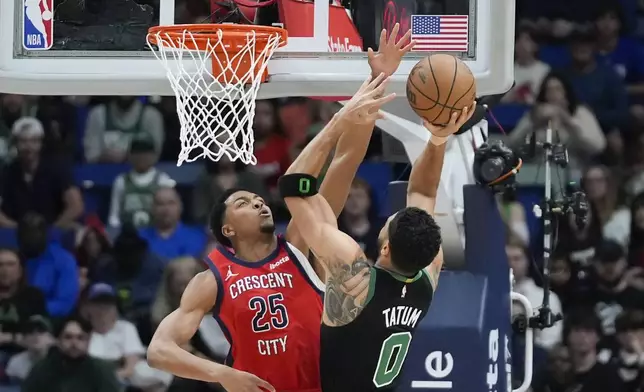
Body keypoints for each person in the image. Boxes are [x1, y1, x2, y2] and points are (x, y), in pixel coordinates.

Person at [146, 25, 413, 392]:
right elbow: (160, 350)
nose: (258, 202)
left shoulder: (300, 246)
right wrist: (221, 372)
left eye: (258, 199)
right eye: (243, 203)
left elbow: (345, 163)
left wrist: (378, 78)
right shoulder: (212, 279)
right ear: (228, 229)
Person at [279, 81, 474, 390]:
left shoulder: (354, 275)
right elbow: (423, 192)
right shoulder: (426, 275)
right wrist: (438, 140)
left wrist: (337, 124)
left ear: (384, 249)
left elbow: (293, 186)